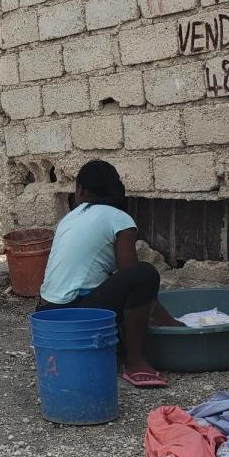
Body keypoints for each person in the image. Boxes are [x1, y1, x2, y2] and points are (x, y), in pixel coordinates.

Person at [35, 159, 179, 388]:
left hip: (46, 313)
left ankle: (121, 348)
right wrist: (173, 324)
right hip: (74, 313)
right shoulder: (118, 218)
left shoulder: (69, 219)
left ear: (80, 191)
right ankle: (135, 363)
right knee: (145, 274)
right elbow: (131, 274)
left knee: (123, 293)